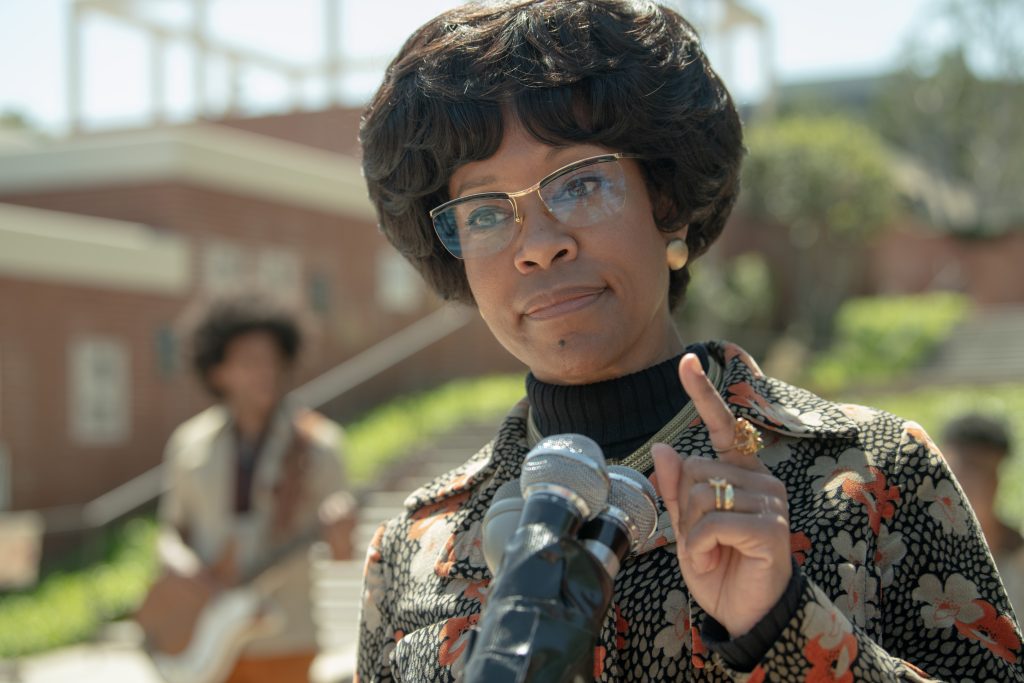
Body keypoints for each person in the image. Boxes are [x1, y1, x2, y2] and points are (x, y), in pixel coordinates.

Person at [354, 1, 1024, 680]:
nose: (539, 245)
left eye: (581, 183)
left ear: (666, 202)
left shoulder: (873, 474)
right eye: (485, 212)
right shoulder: (414, 546)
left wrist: (781, 621)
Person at [146, 296, 354, 683]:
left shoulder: (318, 444)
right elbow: (170, 532)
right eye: (249, 361)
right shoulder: (188, 444)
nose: (264, 372)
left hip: (286, 641)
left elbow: (343, 555)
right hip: (204, 641)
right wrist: (190, 573)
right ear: (217, 371)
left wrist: (342, 531)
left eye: (272, 360)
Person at [943, 413, 1024, 616]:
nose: (971, 482)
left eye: (983, 472)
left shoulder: (1016, 555)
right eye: (965, 469)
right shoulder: (910, 544)